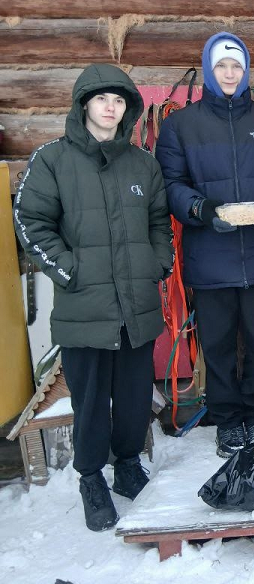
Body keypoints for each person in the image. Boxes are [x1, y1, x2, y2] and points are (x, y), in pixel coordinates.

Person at [14, 64, 174, 531]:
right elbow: (31, 221)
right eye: (103, 98)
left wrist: (157, 265)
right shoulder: (53, 159)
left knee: (131, 397)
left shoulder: (142, 162)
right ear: (85, 103)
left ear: (128, 108)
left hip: (136, 307)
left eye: (120, 100)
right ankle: (91, 478)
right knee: (88, 403)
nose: (111, 107)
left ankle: (126, 465)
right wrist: (69, 269)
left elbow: (159, 223)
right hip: (85, 305)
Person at [156, 33, 254, 457]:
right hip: (210, 255)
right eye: (221, 66)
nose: (230, 73)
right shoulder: (182, 125)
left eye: (236, 66)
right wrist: (200, 209)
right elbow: (171, 185)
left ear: (246, 70)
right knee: (216, 344)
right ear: (210, 70)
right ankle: (227, 419)